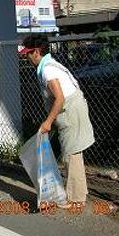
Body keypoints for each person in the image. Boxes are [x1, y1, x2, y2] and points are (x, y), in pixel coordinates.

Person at [20, 34, 95, 207]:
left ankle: (76, 199)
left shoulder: (48, 70)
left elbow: (59, 98)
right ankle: (78, 193)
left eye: (28, 53)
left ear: (37, 52)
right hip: (71, 108)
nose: (27, 56)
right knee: (72, 152)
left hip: (70, 110)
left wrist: (47, 122)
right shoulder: (48, 65)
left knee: (71, 154)